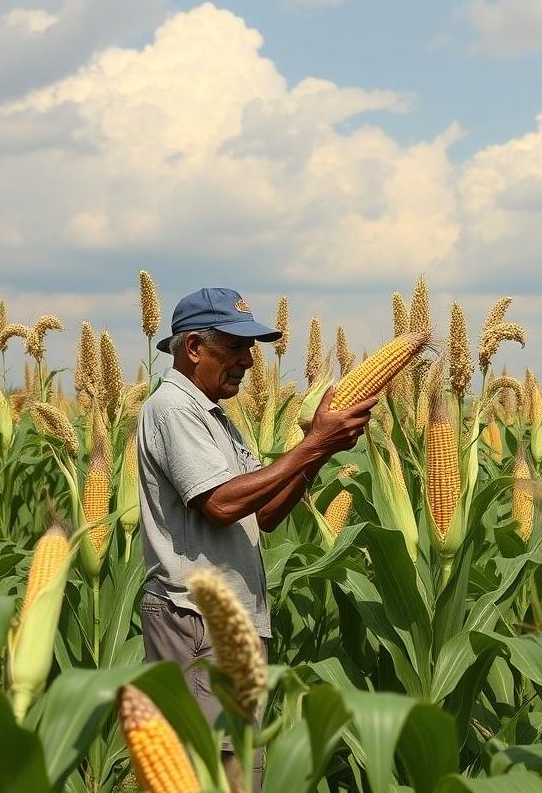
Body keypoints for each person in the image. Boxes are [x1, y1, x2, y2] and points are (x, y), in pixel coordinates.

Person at [136, 287, 376, 792]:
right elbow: (221, 504)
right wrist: (312, 443)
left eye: (252, 348)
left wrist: (318, 454)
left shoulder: (214, 415)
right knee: (212, 775)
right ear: (194, 348)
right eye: (235, 346)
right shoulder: (173, 408)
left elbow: (263, 513)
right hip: (196, 625)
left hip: (227, 628)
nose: (249, 360)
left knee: (241, 771)